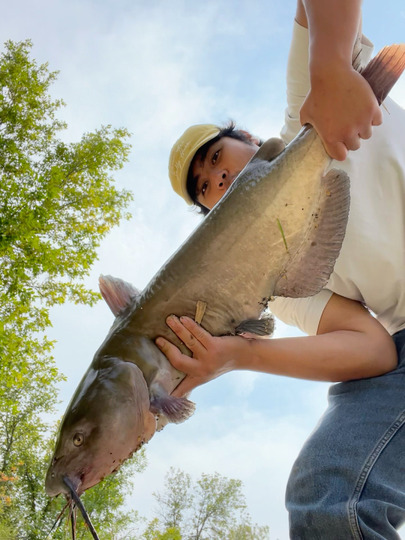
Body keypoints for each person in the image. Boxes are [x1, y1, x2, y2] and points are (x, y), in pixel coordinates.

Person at [156, 1, 405, 538]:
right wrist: (239, 355)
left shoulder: (308, 117)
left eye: (219, 157)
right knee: (326, 496)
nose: (219, 177)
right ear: (211, 213)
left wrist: (333, 68)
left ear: (249, 140)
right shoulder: (280, 288)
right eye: (205, 185)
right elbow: (377, 350)